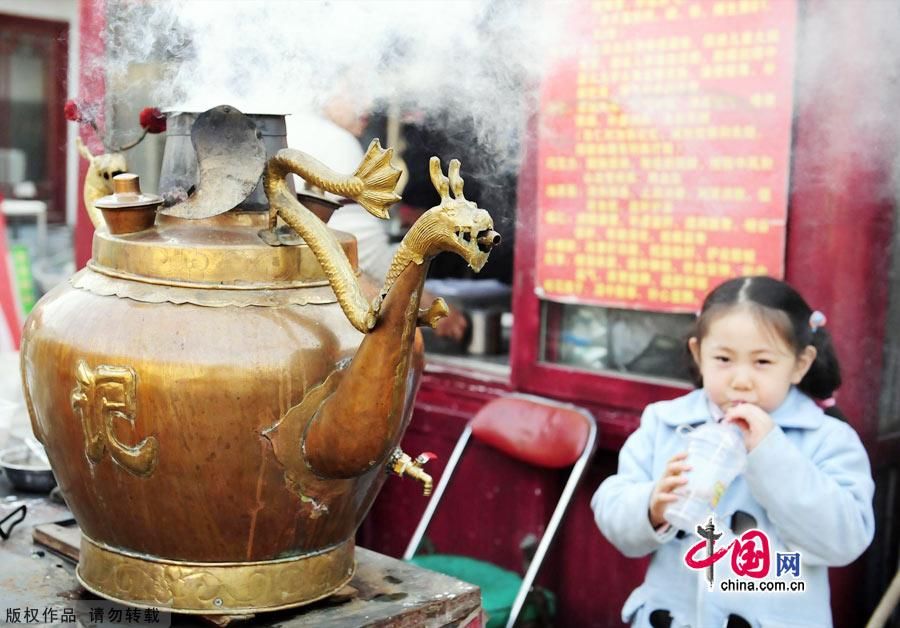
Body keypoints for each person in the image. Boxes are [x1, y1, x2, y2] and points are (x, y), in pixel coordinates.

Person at [592, 275, 875, 627]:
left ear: (800, 364)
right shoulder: (666, 422)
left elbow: (845, 541)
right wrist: (651, 506)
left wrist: (771, 454)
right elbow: (612, 510)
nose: (741, 380)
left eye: (763, 363)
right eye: (724, 359)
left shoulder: (828, 438)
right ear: (698, 354)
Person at [286, 96, 467, 341]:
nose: (368, 103)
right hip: (320, 318)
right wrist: (427, 302)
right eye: (357, 87)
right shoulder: (334, 140)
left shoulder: (294, 126)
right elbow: (364, 250)